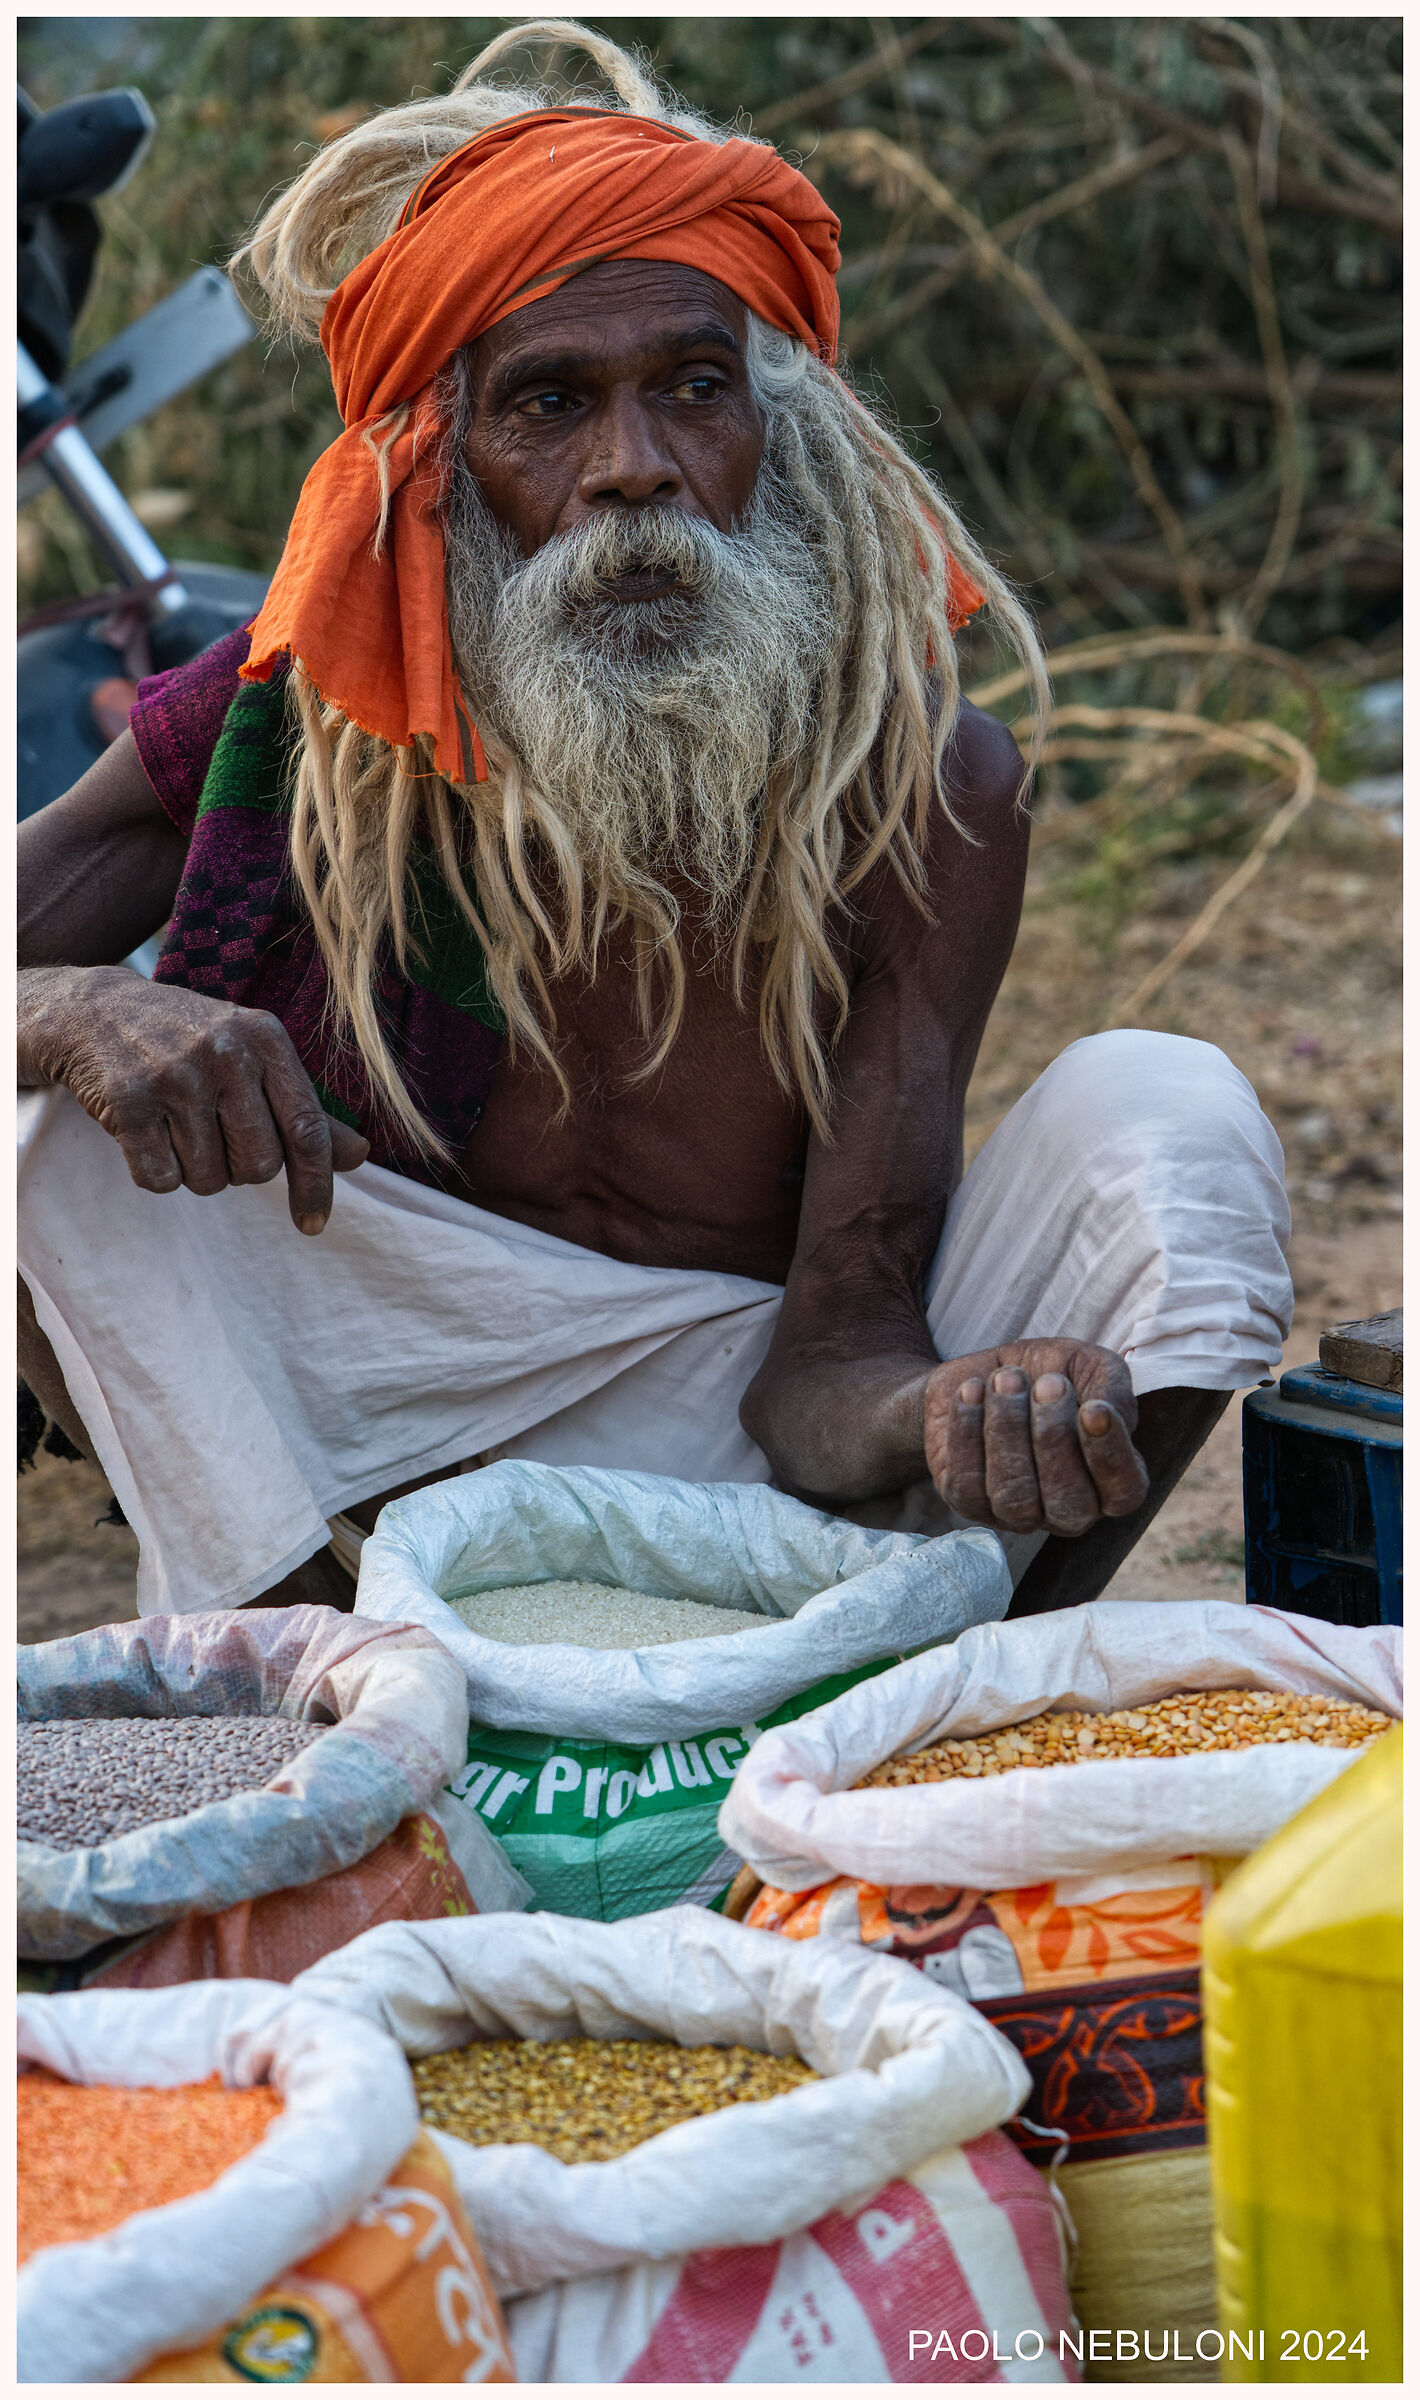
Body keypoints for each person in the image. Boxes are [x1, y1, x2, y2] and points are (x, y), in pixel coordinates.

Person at [17, 22, 1291, 1620]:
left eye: (696, 389)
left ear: (775, 430)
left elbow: (832, 1356)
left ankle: (966, 1683)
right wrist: (75, 1004)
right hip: (390, 1432)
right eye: (550, 405)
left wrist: (967, 1412)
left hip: (751, 1426)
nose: (639, 471)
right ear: (438, 470)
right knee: (58, 1140)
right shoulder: (298, 719)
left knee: (1170, 1113)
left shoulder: (920, 789)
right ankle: (334, 1722)